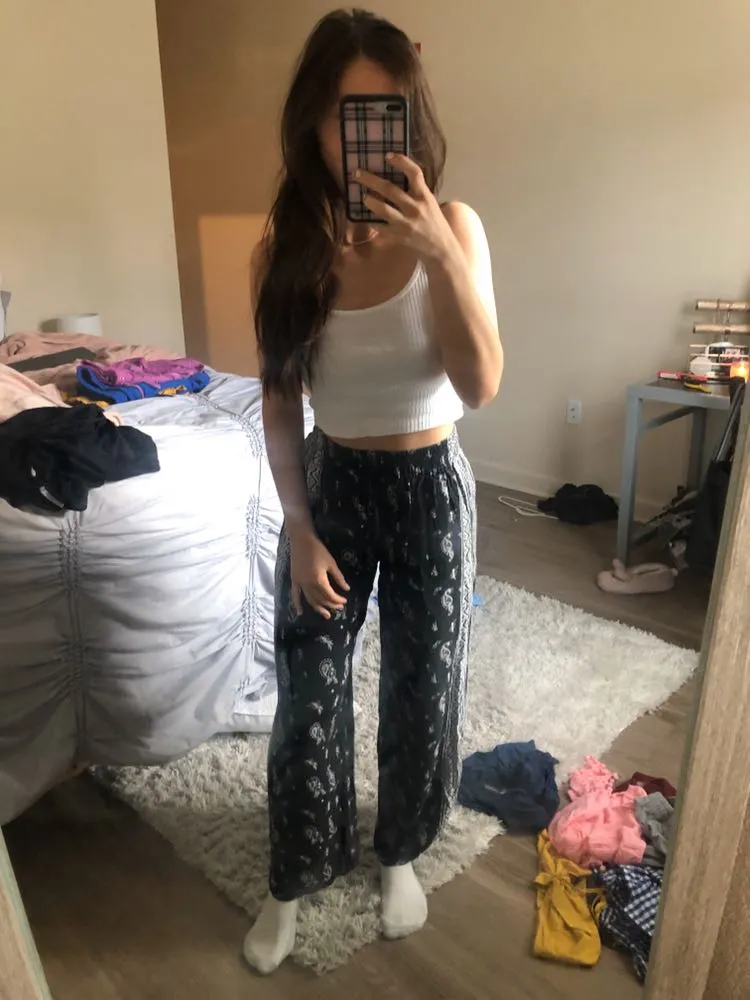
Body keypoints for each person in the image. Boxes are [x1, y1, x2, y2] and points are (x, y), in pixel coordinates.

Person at [243, 7, 503, 975]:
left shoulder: (457, 227)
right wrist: (299, 527)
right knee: (309, 689)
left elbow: (481, 384)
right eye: (343, 114)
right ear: (312, 122)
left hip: (432, 482)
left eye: (383, 112)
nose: (362, 137)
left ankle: (399, 851)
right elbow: (279, 405)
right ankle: (293, 874)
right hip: (333, 483)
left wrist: (440, 254)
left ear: (409, 117)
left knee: (423, 687)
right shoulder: (285, 251)